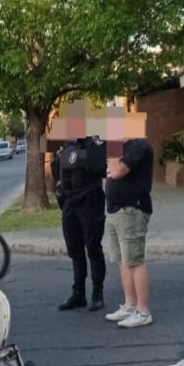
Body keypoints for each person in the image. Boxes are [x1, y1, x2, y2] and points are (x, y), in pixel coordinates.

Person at [50, 136, 108, 312]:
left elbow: (104, 169)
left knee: (93, 248)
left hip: (89, 201)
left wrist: (82, 157)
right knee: (75, 250)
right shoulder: (66, 145)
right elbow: (56, 172)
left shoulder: (95, 142)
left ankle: (97, 293)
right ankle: (78, 293)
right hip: (69, 202)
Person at [103, 138, 154, 328]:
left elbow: (117, 172)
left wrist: (111, 147)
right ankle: (130, 305)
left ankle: (143, 311)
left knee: (134, 261)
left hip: (131, 209)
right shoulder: (120, 148)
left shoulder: (138, 146)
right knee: (123, 261)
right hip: (115, 211)